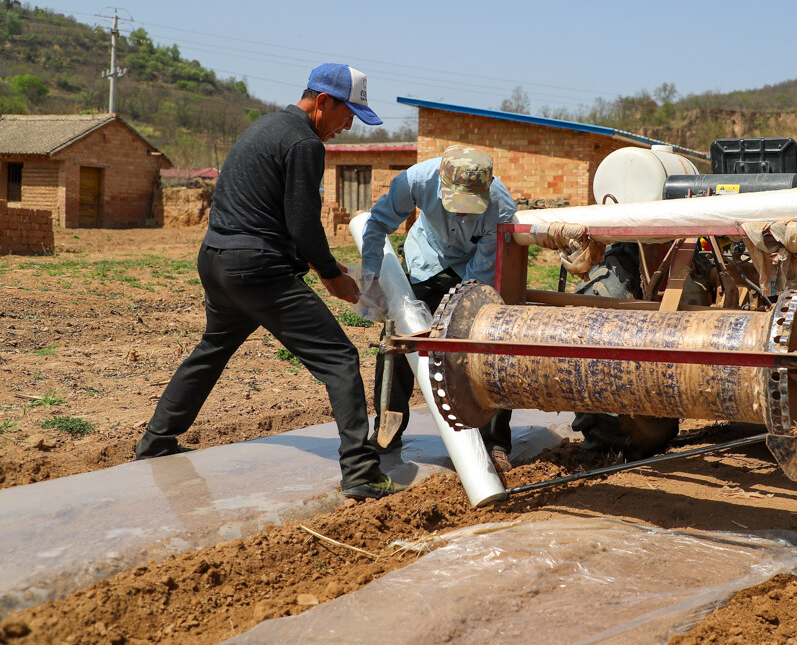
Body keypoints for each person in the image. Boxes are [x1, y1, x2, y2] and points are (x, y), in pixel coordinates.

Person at [136, 63, 403, 502]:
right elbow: (302, 222)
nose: (348, 125)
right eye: (347, 113)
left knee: (212, 349)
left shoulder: (266, 127)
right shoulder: (304, 142)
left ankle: (156, 441)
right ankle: (360, 471)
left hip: (216, 259)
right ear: (322, 102)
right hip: (257, 268)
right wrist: (332, 275)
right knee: (339, 358)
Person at [360, 145, 517, 469]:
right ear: (440, 184)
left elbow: (480, 278)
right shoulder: (415, 180)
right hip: (425, 261)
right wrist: (371, 278)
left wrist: (450, 328)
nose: (461, 213)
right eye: (454, 204)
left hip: (471, 269)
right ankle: (388, 430)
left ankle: (495, 441)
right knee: (398, 343)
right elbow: (376, 225)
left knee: (487, 346)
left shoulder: (500, 208)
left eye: (469, 206)